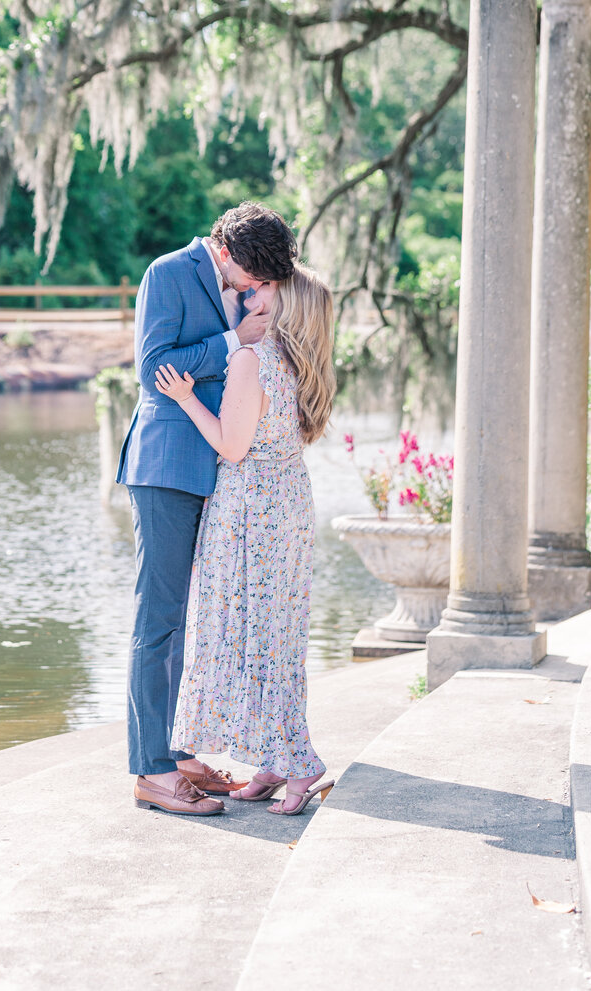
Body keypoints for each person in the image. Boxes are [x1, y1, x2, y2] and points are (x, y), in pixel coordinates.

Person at [116, 202, 298, 816]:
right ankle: (151, 770)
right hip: (167, 465)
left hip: (225, 471)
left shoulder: (245, 277)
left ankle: (183, 754)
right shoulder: (166, 273)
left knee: (201, 621)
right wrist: (230, 341)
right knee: (161, 618)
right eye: (252, 277)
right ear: (226, 250)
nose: (255, 290)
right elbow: (151, 370)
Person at [154, 263, 336, 814]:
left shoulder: (250, 359)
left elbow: (232, 448)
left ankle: (301, 765)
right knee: (275, 638)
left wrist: (186, 398)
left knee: (251, 636)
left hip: (248, 512)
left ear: (279, 303)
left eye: (260, 289)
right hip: (287, 507)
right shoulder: (303, 364)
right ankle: (276, 761)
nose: (249, 293)